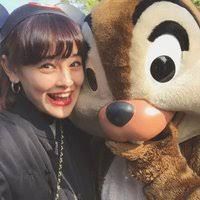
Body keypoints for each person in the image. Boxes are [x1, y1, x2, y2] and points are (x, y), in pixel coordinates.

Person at [0, 3, 97, 200]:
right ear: (11, 68)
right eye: (47, 66)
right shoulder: (5, 145)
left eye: (74, 64)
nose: (67, 81)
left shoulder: (79, 130)